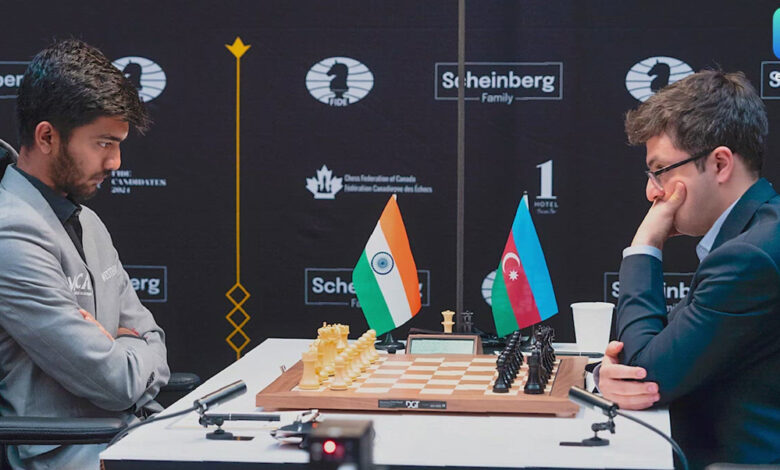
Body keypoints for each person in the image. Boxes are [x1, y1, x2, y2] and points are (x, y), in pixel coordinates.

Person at [0, 39, 170, 469]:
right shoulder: (9, 234)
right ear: (46, 137)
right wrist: (130, 346)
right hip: (71, 453)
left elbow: (152, 336)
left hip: (132, 436)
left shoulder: (87, 220)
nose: (116, 162)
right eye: (103, 144)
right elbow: (116, 382)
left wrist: (125, 345)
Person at [598, 70, 780, 469]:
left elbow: (646, 372)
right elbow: (659, 353)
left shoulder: (750, 257)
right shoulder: (755, 234)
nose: (652, 192)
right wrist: (605, 374)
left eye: (661, 170)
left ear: (719, 164)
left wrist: (645, 245)